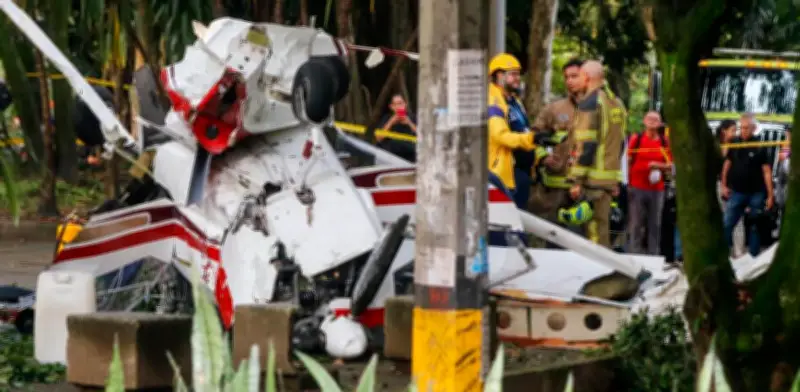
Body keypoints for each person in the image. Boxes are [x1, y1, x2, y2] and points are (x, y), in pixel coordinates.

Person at [566, 60, 627, 248]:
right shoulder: (617, 103)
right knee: (602, 229)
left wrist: (576, 179)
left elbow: (586, 144)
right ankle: (605, 269)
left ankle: (598, 273)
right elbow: (621, 142)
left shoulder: (590, 103)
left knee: (592, 234)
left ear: (586, 77)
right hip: (608, 178)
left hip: (592, 179)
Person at [528, 58, 585, 237]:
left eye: (574, 76)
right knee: (554, 238)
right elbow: (532, 137)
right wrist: (544, 157)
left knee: (583, 243)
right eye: (566, 77)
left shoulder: (600, 110)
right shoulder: (554, 109)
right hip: (555, 190)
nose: (569, 81)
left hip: (586, 188)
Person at [487, 53, 537, 208]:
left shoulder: (514, 101)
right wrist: (531, 139)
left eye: (518, 74)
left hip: (521, 173)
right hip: (503, 175)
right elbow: (500, 136)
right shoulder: (492, 100)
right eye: (513, 74)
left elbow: (523, 129)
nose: (517, 78)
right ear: (499, 76)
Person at [720, 113, 774, 257]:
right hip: (737, 192)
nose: (743, 131)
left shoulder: (760, 146)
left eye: (746, 128)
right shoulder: (734, 143)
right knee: (727, 224)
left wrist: (770, 195)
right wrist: (723, 185)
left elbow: (767, 172)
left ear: (753, 128)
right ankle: (723, 256)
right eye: (741, 128)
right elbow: (726, 165)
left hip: (756, 193)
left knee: (755, 226)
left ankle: (753, 257)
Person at [625, 111, 673, 255]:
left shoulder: (664, 142)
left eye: (656, 119)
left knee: (655, 224)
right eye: (650, 119)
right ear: (644, 121)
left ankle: (654, 255)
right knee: (636, 223)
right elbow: (628, 160)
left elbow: (671, 165)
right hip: (637, 187)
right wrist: (628, 182)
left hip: (657, 190)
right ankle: (635, 254)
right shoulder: (636, 139)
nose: (652, 122)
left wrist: (657, 165)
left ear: (660, 123)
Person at [375, 94, 417, 162]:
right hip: (390, 156)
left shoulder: (412, 117)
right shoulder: (387, 118)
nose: (398, 107)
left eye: (400, 103)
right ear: (391, 107)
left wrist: (409, 123)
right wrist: (391, 122)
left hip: (410, 156)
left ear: (405, 104)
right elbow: (378, 138)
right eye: (395, 104)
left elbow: (423, 138)